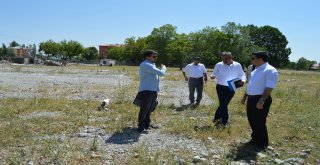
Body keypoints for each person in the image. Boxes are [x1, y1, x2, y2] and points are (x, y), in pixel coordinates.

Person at [245, 51, 278, 149]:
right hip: (251, 99)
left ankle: (262, 144)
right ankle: (255, 139)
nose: (251, 60)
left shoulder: (270, 70)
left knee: (259, 121)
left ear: (260, 59)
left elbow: (269, 87)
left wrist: (262, 100)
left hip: (260, 99)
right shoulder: (256, 70)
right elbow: (251, 85)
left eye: (253, 58)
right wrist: (245, 97)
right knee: (252, 120)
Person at [210, 52, 246, 128]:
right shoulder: (219, 64)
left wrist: (243, 80)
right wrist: (212, 76)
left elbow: (242, 74)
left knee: (224, 104)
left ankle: (216, 118)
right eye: (222, 58)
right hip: (221, 87)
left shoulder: (237, 65)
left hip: (232, 86)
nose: (224, 60)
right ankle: (224, 122)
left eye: (226, 58)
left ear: (231, 57)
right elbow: (213, 73)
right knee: (223, 104)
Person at [137, 50, 166, 133]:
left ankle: (147, 124)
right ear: (147, 56)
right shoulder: (145, 64)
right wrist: (164, 68)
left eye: (156, 56)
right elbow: (161, 73)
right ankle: (141, 127)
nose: (155, 58)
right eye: (154, 56)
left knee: (150, 109)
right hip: (147, 90)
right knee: (144, 109)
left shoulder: (151, 65)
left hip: (152, 90)